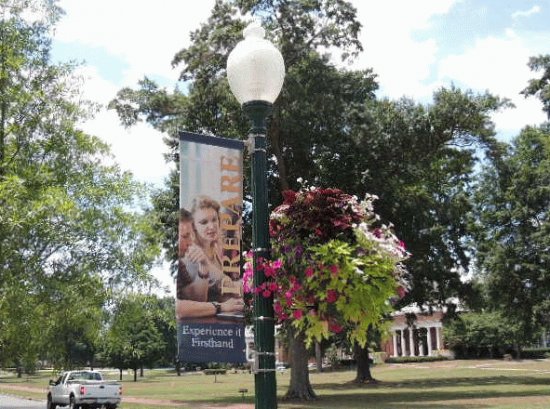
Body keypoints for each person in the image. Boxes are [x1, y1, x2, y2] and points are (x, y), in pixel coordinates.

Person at [176, 198, 243, 320]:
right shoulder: (193, 255)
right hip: (205, 328)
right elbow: (227, 285)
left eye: (214, 219)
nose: (211, 226)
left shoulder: (215, 248)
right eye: (204, 222)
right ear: (194, 227)